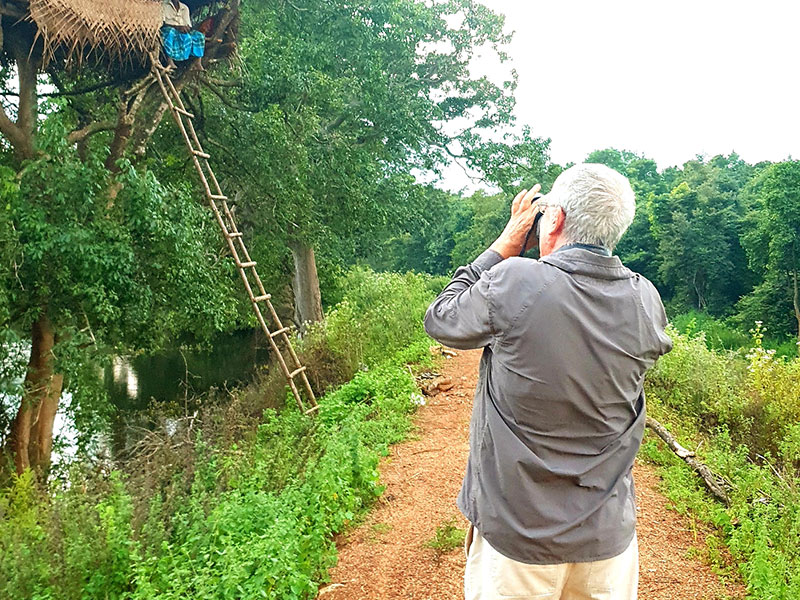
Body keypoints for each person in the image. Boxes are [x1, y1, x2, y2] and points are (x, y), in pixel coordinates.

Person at [424, 163, 672, 600]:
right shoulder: (645, 298)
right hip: (607, 543)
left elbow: (443, 318)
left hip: (519, 541)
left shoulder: (517, 279)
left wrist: (504, 243)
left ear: (554, 219)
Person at [161, 0, 205, 70]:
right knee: (170, 32)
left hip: (181, 31)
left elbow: (188, 25)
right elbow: (162, 24)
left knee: (199, 35)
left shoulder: (185, 8)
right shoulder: (163, 5)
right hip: (169, 30)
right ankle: (169, 60)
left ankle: (198, 62)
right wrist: (177, 27)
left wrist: (186, 28)